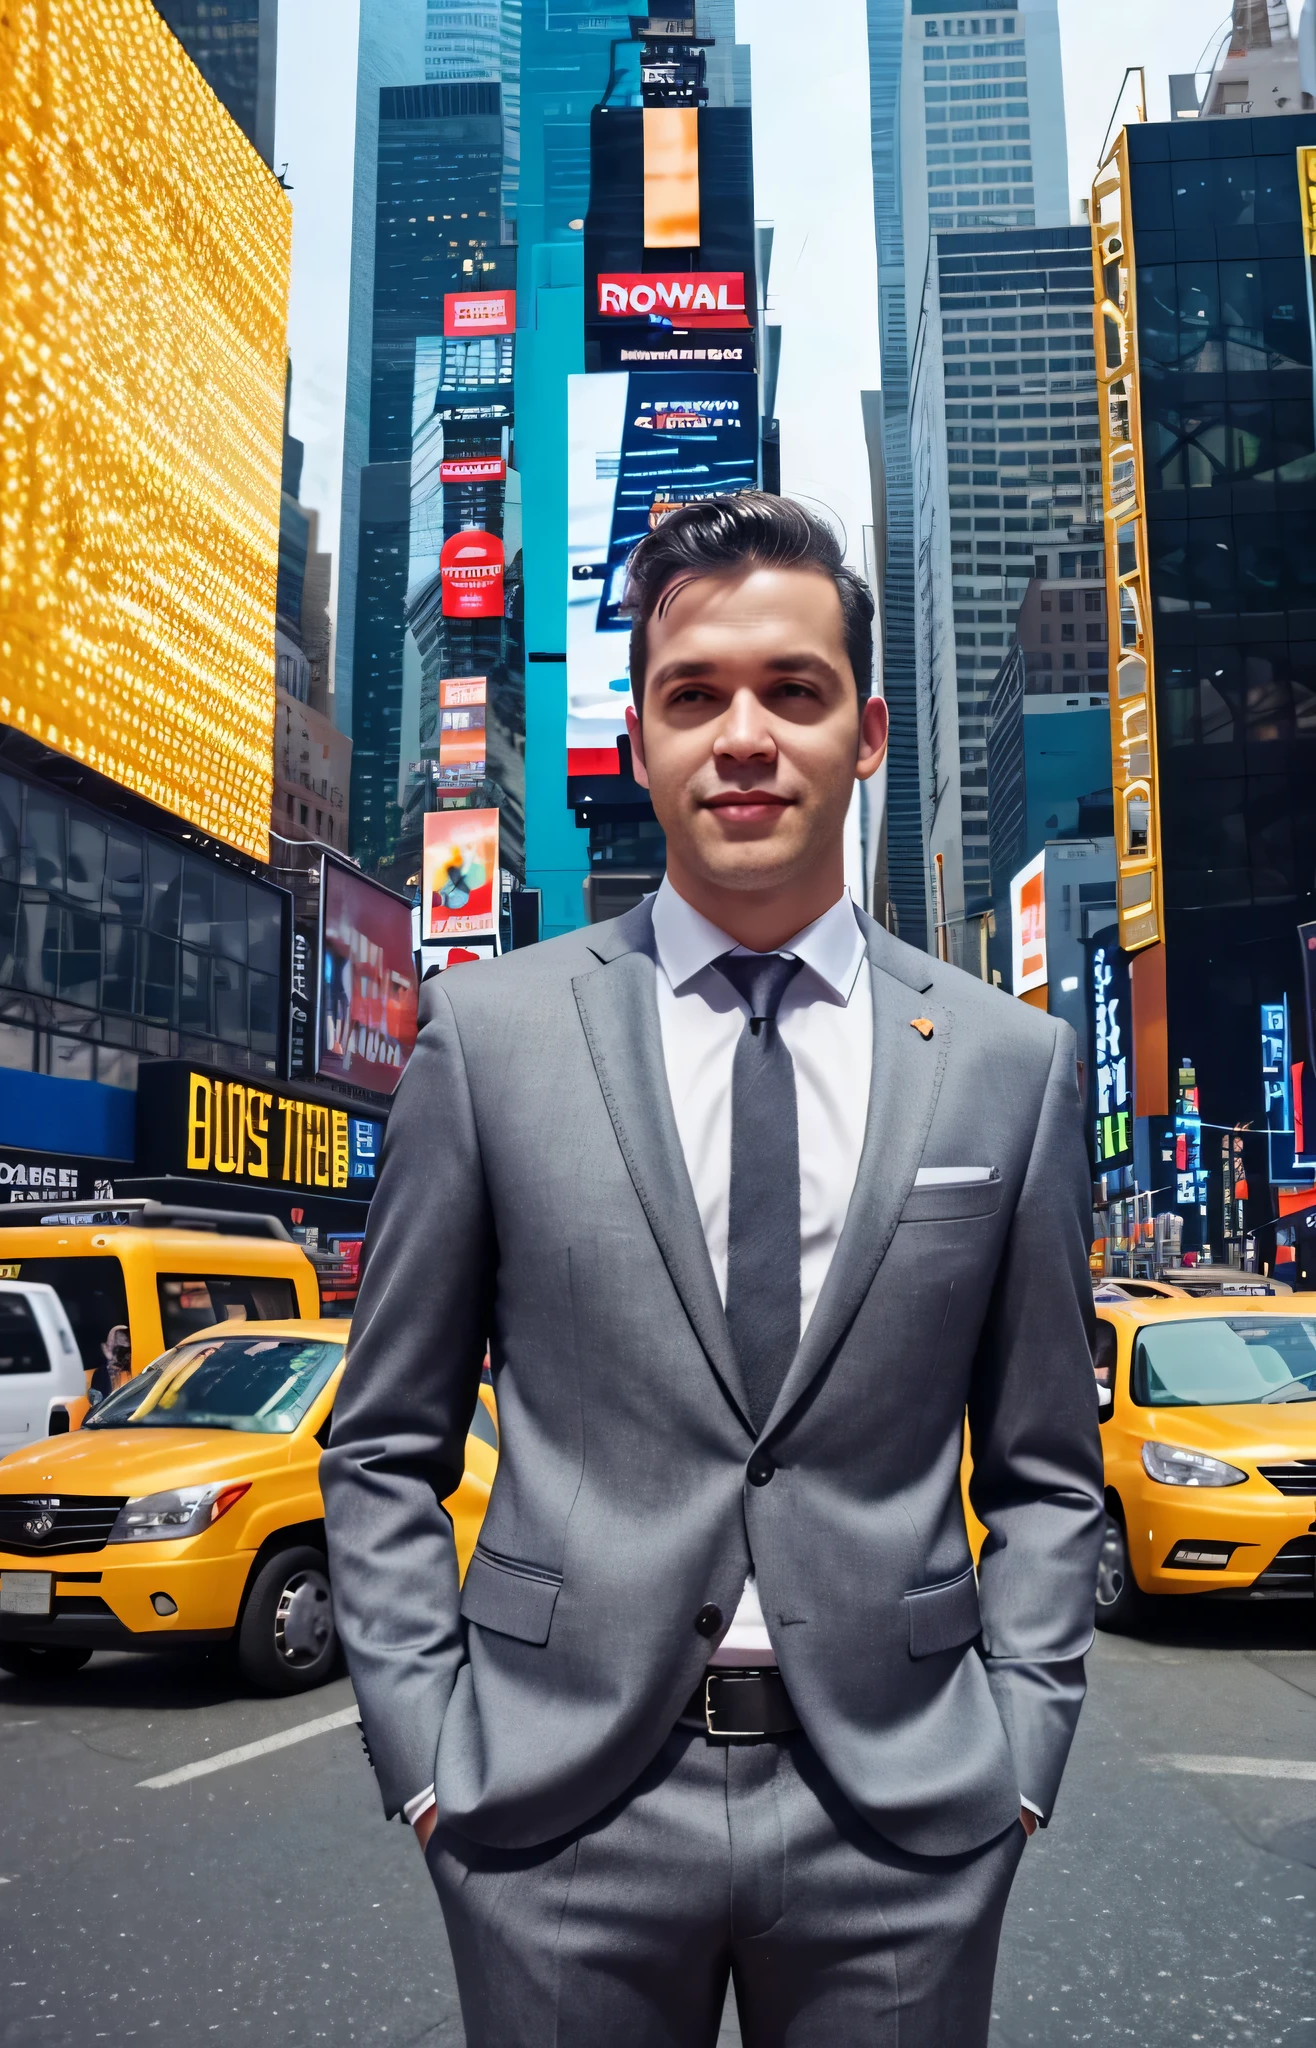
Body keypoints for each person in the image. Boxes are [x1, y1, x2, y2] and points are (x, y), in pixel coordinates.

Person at [322, 493, 1104, 2047]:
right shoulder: (490, 1041)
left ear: (866, 732)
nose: (743, 735)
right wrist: (428, 1765)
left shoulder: (1011, 1068)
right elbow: (380, 1442)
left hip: (902, 1820)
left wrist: (1018, 1763)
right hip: (552, 1817)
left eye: (792, 692)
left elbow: (1047, 1473)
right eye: (695, 696)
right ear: (641, 735)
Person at [90, 1324, 131, 1402]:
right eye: (111, 1343)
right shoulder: (101, 1373)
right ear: (104, 1348)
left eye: (124, 1342)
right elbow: (96, 1406)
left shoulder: (134, 1368)